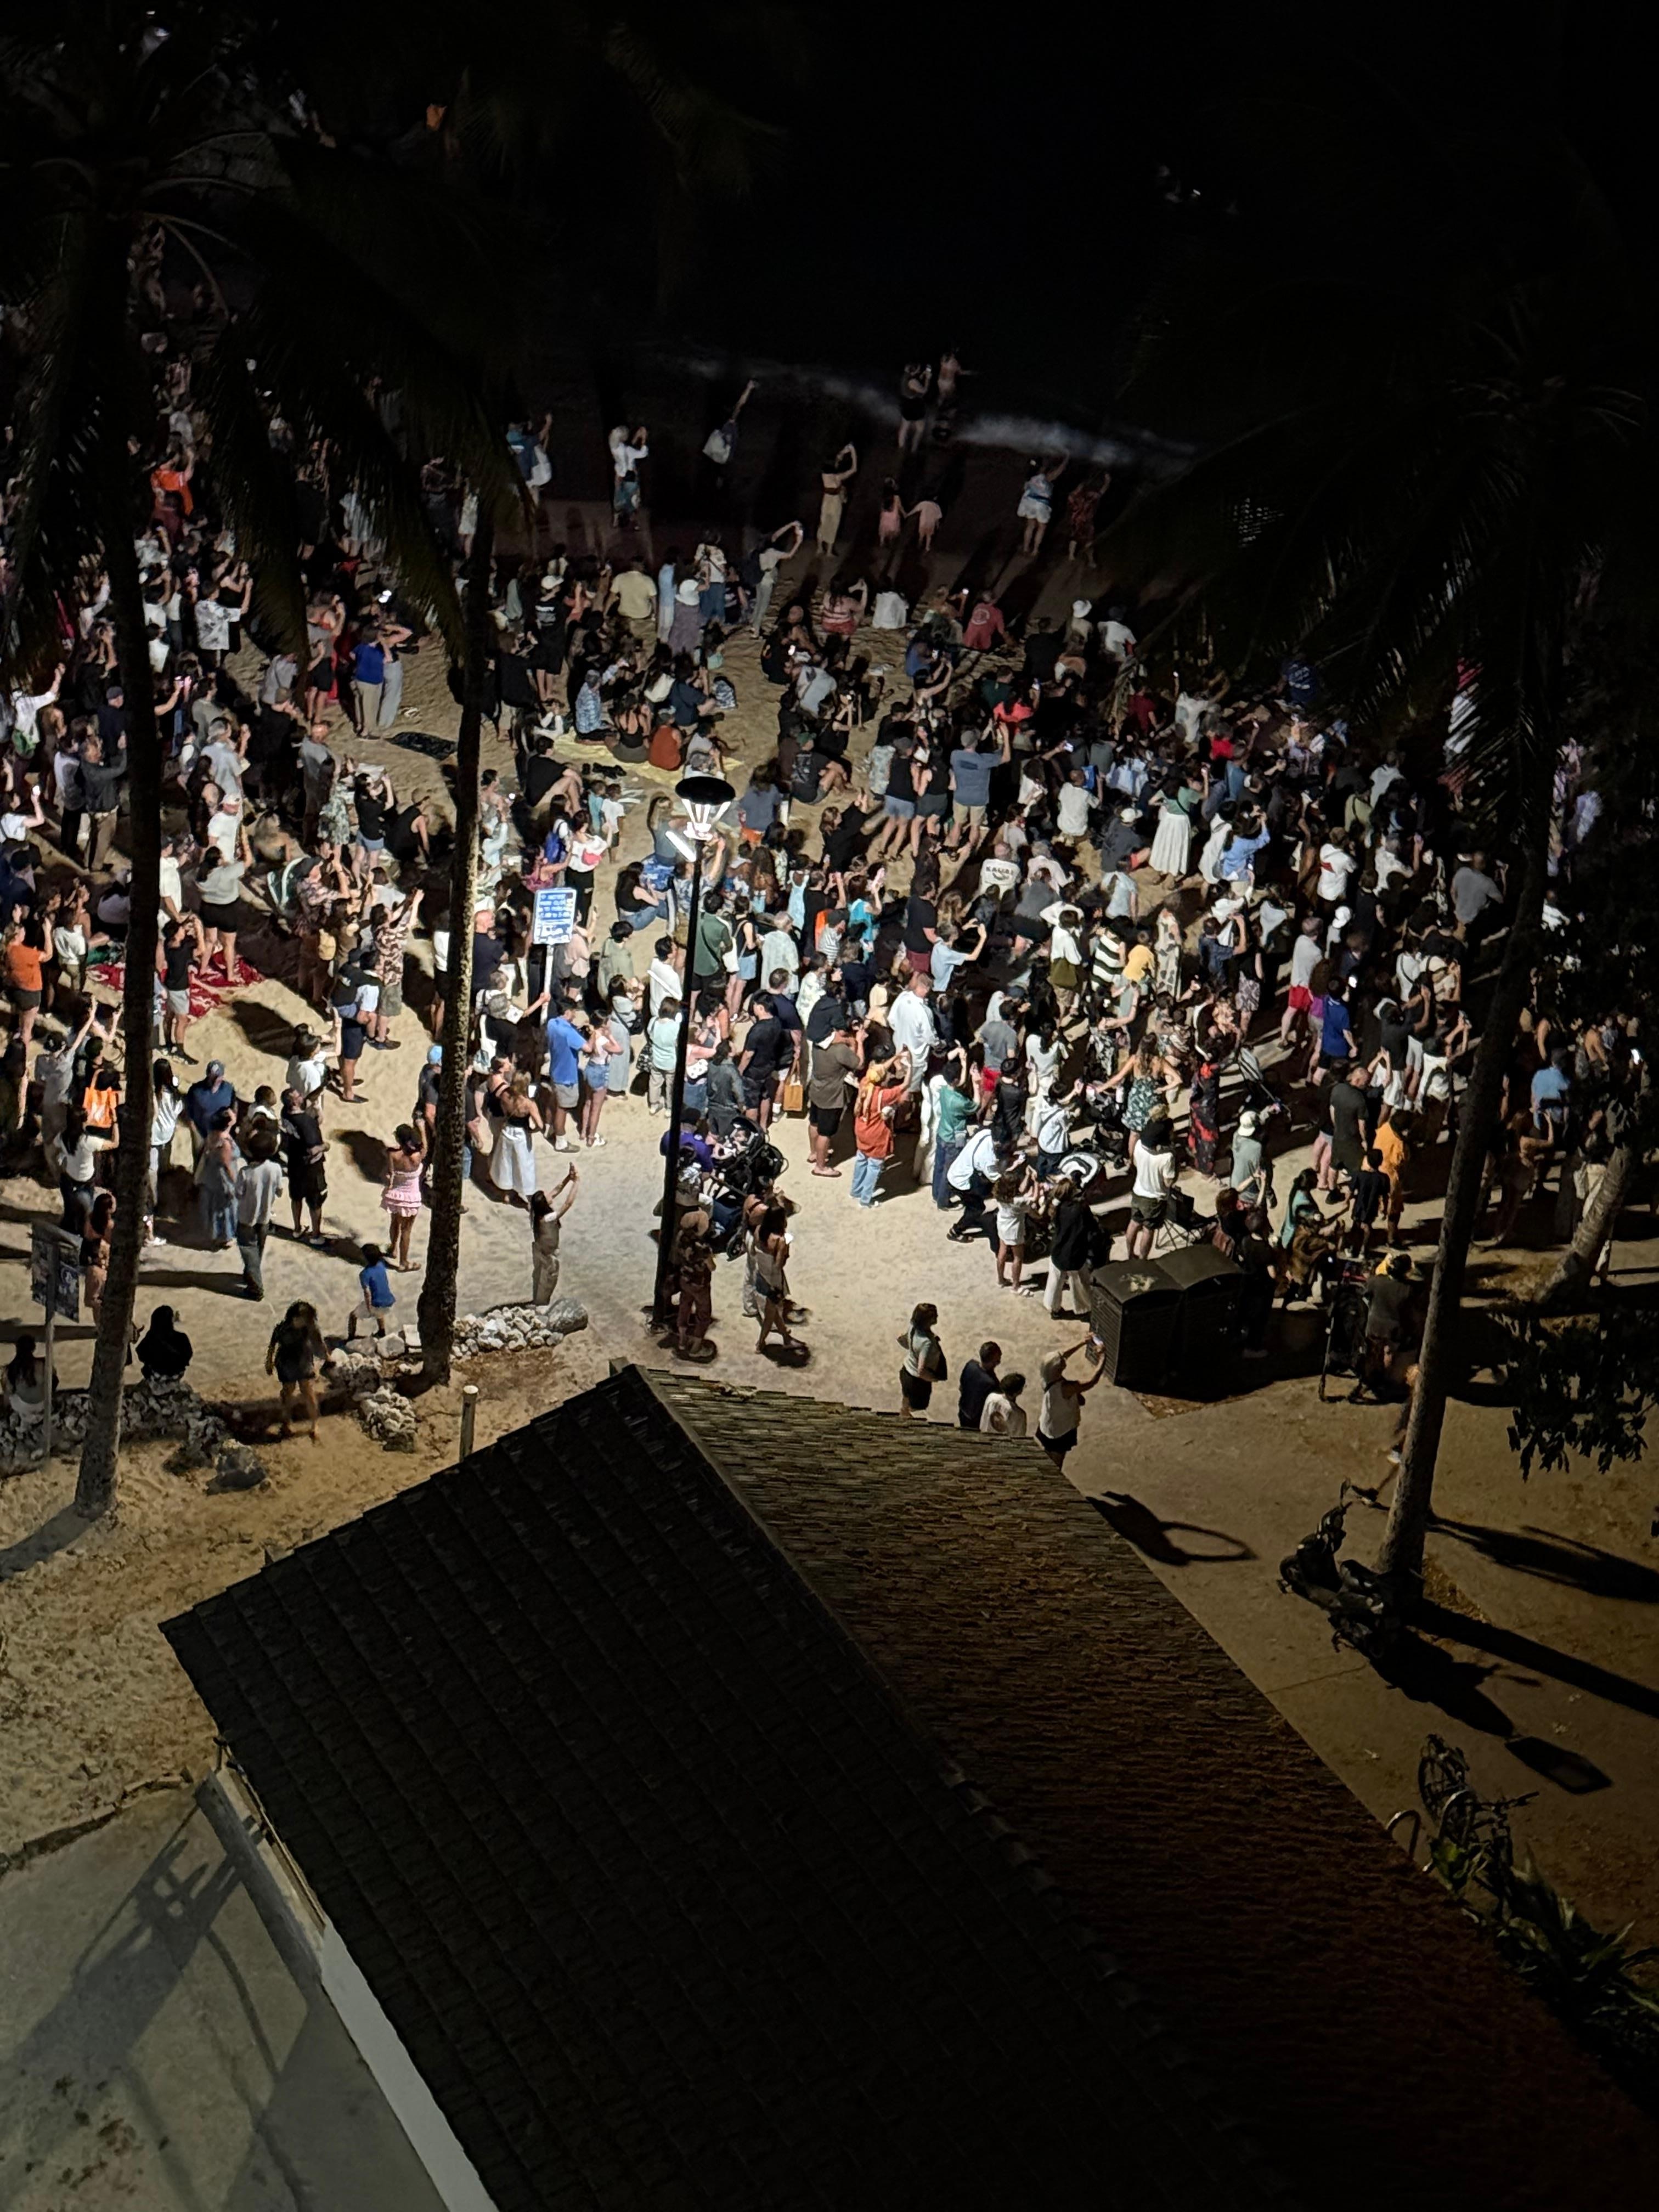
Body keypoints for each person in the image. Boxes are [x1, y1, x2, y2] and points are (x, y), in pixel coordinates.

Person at [851, 1051, 909, 1207]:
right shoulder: (883, 1095)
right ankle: (865, 1200)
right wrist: (911, 1068)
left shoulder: (865, 1083)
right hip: (876, 1136)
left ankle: (856, 1191)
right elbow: (905, 1085)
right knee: (874, 1167)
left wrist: (896, 1057)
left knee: (862, 1160)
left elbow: (880, 1070)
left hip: (861, 1130)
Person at [234, 1126, 285, 1300]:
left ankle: (256, 1287)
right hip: (265, 1217)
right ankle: (251, 1273)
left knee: (249, 1249)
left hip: (246, 1218)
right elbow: (279, 1191)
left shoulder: (246, 1173)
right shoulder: (276, 1169)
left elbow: (239, 1194)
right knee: (259, 1248)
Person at [267, 1299, 325, 1440]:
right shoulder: (282, 1329)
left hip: (304, 1361)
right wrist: (269, 1362)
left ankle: (314, 1425)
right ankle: (286, 1423)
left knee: (308, 1391)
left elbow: (319, 1343)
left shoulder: (310, 1328)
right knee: (288, 1392)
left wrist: (326, 1357)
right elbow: (273, 1345)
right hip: (287, 1363)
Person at [1036, 1342, 1104, 1464]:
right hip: (1060, 1430)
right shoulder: (1064, 1388)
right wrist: (1103, 1358)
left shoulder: (1045, 1377)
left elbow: (1063, 1355)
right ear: (1058, 1370)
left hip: (1047, 1424)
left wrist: (1083, 1341)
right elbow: (1091, 1382)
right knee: (1057, 1460)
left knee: (1048, 1452)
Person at [750, 1204, 798, 1355]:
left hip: (760, 1274)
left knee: (774, 1311)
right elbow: (779, 1265)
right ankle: (761, 1343)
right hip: (773, 1281)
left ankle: (786, 1337)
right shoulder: (780, 1241)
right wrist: (786, 1252)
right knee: (770, 1315)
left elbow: (752, 1251)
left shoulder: (758, 1231)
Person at [380, 1123, 426, 1269]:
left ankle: (393, 1248)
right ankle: (404, 1262)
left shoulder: (392, 1154)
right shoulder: (417, 1156)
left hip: (395, 1194)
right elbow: (425, 1147)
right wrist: (422, 1129)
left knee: (395, 1222)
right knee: (407, 1230)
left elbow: (390, 1173)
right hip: (411, 1196)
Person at [530, 1170, 578, 1303]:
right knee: (548, 1282)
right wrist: (577, 1183)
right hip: (548, 1255)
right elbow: (568, 1203)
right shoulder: (548, 1218)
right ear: (545, 1204)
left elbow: (556, 1190)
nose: (549, 1193)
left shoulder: (536, 1211)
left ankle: (537, 1301)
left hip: (539, 1250)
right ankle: (540, 1306)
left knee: (539, 1278)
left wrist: (569, 1177)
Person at [897, 1301, 946, 1419]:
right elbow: (921, 1370)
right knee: (916, 1414)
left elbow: (901, 1339)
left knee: (906, 1405)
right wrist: (934, 1378)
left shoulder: (913, 1328)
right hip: (918, 1383)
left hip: (907, 1371)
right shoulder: (926, 1343)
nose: (938, 1316)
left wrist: (914, 1349)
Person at [348, 1244, 396, 1340]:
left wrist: (369, 1309)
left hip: (376, 1305)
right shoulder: (382, 1265)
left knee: (353, 1316)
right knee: (380, 1313)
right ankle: (381, 1332)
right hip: (389, 1302)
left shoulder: (364, 1274)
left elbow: (367, 1293)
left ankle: (351, 1338)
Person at [137, 1305, 193, 1384]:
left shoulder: (152, 1337)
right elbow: (188, 1355)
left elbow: (141, 1353)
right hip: (175, 1376)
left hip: (155, 1377)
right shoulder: (182, 1338)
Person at [958, 1341, 1002, 1430]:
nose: (998, 1363)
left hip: (963, 1411)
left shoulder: (970, 1365)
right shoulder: (992, 1384)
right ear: (992, 1362)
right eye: (997, 1361)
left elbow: (961, 1387)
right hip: (976, 1420)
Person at [980, 1373, 1029, 1438]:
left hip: (984, 1439)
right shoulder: (1019, 1415)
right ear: (1018, 1392)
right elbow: (1019, 1437)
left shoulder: (991, 1398)